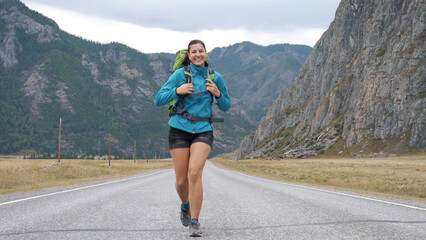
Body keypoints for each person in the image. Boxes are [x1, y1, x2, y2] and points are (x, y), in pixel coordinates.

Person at [154, 39, 231, 237]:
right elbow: (158, 99)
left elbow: (226, 105)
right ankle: (185, 206)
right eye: (194, 52)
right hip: (179, 129)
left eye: (201, 51)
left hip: (204, 130)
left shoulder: (215, 77)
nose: (198, 54)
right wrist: (177, 90)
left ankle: (195, 222)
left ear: (206, 53)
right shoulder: (180, 75)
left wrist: (218, 93)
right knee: (181, 182)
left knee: (194, 173)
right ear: (188, 55)